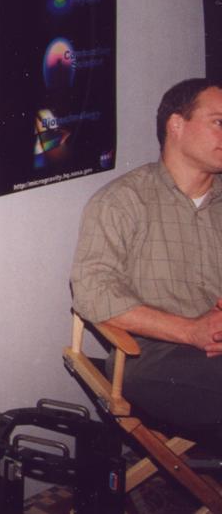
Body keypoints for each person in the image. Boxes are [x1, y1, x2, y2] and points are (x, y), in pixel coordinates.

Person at [71, 77, 222, 434]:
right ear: (176, 125)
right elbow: (92, 293)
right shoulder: (122, 202)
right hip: (152, 355)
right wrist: (191, 331)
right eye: (218, 122)